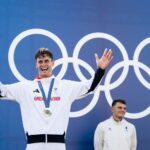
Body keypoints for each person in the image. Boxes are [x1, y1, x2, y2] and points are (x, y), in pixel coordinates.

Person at [0, 48, 113, 150]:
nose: (43, 64)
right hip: (33, 145)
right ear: (36, 65)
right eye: (40, 61)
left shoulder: (66, 86)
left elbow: (90, 87)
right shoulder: (25, 88)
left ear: (53, 63)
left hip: (58, 145)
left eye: (46, 61)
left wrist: (100, 70)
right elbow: (2, 91)